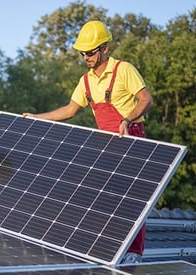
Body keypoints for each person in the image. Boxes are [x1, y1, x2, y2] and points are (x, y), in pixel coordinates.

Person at [23, 21, 153, 264]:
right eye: (82, 53)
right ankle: (109, 248)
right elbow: (70, 109)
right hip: (106, 142)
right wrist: (37, 117)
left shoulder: (123, 70)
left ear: (105, 48)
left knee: (132, 199)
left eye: (90, 52)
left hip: (132, 138)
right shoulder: (86, 81)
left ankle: (133, 254)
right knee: (103, 198)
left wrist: (127, 118)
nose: (86, 57)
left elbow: (146, 99)